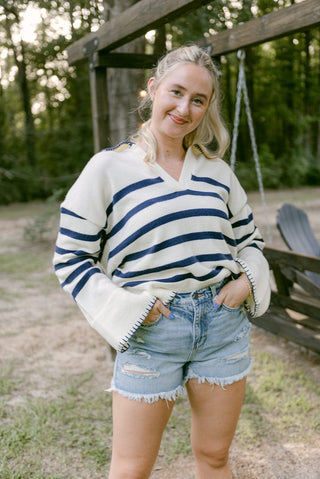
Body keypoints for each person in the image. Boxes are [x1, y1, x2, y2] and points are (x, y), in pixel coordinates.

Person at [53, 44, 270, 478]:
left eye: (198, 100)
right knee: (131, 469)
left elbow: (251, 241)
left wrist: (247, 280)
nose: (184, 108)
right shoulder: (107, 169)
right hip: (152, 332)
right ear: (153, 89)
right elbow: (71, 258)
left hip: (222, 329)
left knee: (214, 457)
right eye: (176, 92)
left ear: (207, 108)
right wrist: (133, 308)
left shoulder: (217, 172)